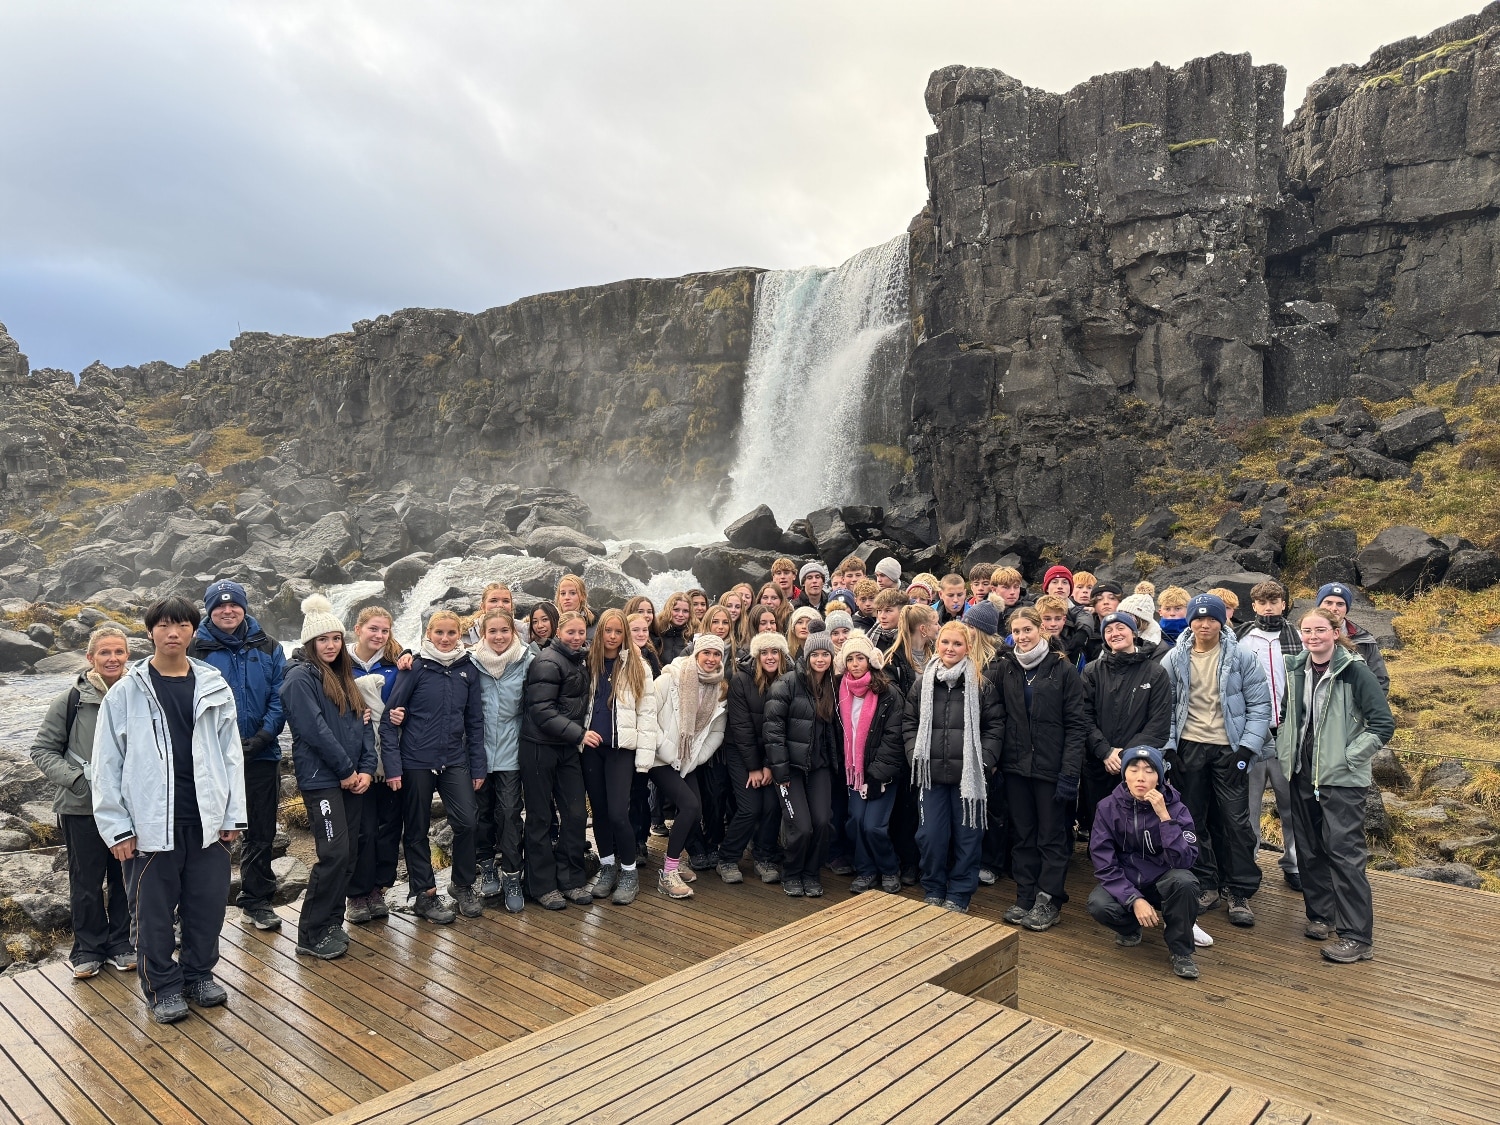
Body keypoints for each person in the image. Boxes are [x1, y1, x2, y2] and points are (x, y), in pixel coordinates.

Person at [93, 596, 246, 1025]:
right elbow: (107, 762)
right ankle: (163, 988)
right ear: (150, 632)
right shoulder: (127, 690)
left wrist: (232, 815)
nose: (173, 633)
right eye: (163, 625)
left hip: (206, 821)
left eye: (181, 625)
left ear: (194, 631)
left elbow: (230, 754)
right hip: (149, 822)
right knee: (153, 916)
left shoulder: (213, 684)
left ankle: (198, 975)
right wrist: (117, 828)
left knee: (207, 906)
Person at [1277, 608, 1395, 963]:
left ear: (1335, 631)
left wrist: (1347, 758)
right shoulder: (1296, 669)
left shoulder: (1354, 670)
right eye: (1306, 631)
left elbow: (1382, 724)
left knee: (1345, 856)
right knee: (1310, 850)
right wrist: (1287, 751)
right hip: (1301, 773)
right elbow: (1288, 716)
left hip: (1341, 779)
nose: (1312, 637)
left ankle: (1357, 936)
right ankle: (1321, 915)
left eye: (1319, 630)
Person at [28, 626, 136, 978]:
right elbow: (42, 750)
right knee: (86, 881)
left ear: (127, 656)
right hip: (80, 808)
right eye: (104, 652)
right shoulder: (70, 700)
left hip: (129, 807)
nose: (112, 658)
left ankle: (122, 944)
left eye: (118, 652)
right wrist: (76, 780)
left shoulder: (139, 695)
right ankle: (88, 949)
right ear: (90, 658)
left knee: (125, 878)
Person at [1163, 594, 1272, 927]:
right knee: (1193, 821)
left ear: (1222, 621)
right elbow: (1164, 706)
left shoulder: (1241, 656)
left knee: (1236, 823)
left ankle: (1238, 889)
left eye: (1212, 618)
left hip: (1229, 749)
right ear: (1190, 621)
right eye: (1199, 618)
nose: (1205, 624)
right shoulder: (1174, 658)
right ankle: (1205, 883)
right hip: (1190, 748)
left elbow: (1260, 706)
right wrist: (1169, 747)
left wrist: (1246, 749)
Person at [188, 579, 286, 933]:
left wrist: (262, 737)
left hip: (261, 755)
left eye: (233, 605)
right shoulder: (194, 649)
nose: (227, 610)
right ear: (209, 610)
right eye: (219, 606)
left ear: (244, 607)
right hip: (210, 759)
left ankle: (256, 900)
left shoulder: (270, 646)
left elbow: (280, 696)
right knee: (206, 832)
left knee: (261, 831)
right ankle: (196, 911)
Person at [283, 596, 377, 960]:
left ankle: (331, 922)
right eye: (323, 640)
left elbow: (363, 724)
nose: (331, 645)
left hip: (352, 777)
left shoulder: (345, 676)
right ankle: (310, 932)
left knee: (349, 852)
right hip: (324, 780)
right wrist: (346, 771)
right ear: (311, 643)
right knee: (334, 853)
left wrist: (366, 769)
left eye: (336, 639)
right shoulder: (299, 678)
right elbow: (315, 731)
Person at [380, 609, 486, 923]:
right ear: (428, 634)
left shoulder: (469, 670)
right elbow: (389, 720)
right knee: (415, 828)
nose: (444, 638)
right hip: (416, 760)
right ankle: (425, 894)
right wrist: (394, 766)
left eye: (451, 633)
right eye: (438, 633)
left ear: (460, 635)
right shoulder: (413, 668)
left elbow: (475, 722)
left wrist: (478, 766)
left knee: (467, 821)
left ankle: (462, 885)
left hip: (454, 759)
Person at [994, 607, 1087, 931]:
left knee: (1052, 837)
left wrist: (1069, 773)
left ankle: (1049, 899)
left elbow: (1077, 726)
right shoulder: (1006, 668)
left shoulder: (1062, 670)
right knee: (1023, 835)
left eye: (1027, 630)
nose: (1022, 636)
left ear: (1040, 630)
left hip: (1052, 768)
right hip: (1017, 767)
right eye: (1016, 631)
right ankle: (1026, 895)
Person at [902, 620, 1003, 913]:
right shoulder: (923, 682)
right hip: (931, 775)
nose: (950, 648)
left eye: (957, 644)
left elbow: (995, 727)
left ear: (967, 648)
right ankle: (933, 886)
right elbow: (909, 722)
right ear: (937, 644)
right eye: (946, 642)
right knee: (930, 835)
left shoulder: (981, 684)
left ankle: (960, 892)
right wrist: (915, 755)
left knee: (968, 837)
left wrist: (983, 761)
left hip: (968, 778)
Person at [1087, 746, 1204, 980]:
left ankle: (1181, 951)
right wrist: (1134, 899)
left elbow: (1185, 860)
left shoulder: (1175, 807)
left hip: (1162, 880)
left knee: (1185, 882)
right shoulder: (1107, 807)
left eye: (1149, 771)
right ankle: (1131, 929)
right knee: (1099, 904)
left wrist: (1164, 818)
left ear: (1159, 777)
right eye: (1134, 769)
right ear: (1125, 774)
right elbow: (1104, 864)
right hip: (1128, 880)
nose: (1141, 777)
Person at [581, 608, 658, 905]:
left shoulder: (638, 665)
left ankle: (628, 872)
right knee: (598, 813)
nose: (612, 637)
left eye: (618, 631)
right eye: (607, 631)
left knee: (617, 813)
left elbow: (647, 714)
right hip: (591, 750)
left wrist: (644, 760)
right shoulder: (590, 662)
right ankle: (607, 866)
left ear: (625, 634)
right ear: (600, 633)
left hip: (620, 750)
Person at [645, 634, 730, 899]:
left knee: (695, 810)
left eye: (717, 655)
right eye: (707, 653)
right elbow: (648, 713)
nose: (711, 659)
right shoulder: (670, 678)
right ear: (696, 654)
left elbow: (717, 731)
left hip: (687, 761)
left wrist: (697, 757)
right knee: (691, 806)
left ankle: (675, 857)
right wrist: (666, 748)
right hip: (661, 758)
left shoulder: (719, 688)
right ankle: (668, 872)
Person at [520, 610, 593, 910]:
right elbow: (541, 710)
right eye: (571, 633)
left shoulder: (581, 659)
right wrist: (579, 734)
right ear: (559, 632)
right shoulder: (548, 661)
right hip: (539, 747)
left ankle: (571, 879)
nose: (576, 638)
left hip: (566, 748)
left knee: (576, 815)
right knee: (540, 817)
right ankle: (541, 885)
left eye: (581, 633)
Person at [1079, 610, 1173, 842]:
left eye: (1120, 628)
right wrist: (1105, 751)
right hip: (1099, 763)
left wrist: (1127, 757)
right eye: (1108, 630)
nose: (1115, 633)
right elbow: (1082, 716)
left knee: (1136, 829)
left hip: (1139, 765)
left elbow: (1159, 723)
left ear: (1133, 632)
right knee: (1099, 826)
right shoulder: (1091, 671)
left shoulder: (1155, 672)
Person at [1236, 580, 1304, 891]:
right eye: (1262, 601)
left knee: (1290, 805)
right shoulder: (1242, 638)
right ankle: (1247, 865)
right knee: (1248, 807)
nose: (1268, 606)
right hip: (1251, 734)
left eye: (1274, 600)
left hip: (1287, 732)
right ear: (1253, 605)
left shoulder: (1299, 638)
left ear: (1284, 603)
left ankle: (1294, 863)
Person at [764, 628, 839, 898]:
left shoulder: (833, 685)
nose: (820, 659)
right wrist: (780, 771)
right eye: (815, 654)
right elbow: (773, 732)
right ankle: (793, 872)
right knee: (801, 826)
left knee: (822, 822)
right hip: (790, 769)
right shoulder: (786, 684)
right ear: (806, 656)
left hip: (818, 766)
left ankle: (811, 872)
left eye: (825, 654)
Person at [470, 609, 536, 913]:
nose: (498, 637)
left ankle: (512, 874)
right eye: (492, 631)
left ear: (514, 632)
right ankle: (486, 867)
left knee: (509, 813)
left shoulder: (527, 660)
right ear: (483, 633)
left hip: (511, 751)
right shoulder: (470, 662)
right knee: (480, 814)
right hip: (478, 752)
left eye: (504, 631)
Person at [345, 606, 404, 923]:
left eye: (385, 631)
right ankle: (356, 894)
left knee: (388, 829)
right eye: (374, 629)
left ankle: (378, 889)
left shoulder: (396, 664)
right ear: (358, 628)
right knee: (362, 830)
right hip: (359, 762)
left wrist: (401, 713)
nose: (379, 636)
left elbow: (409, 699)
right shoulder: (340, 664)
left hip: (392, 760)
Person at [836, 633, 906, 895]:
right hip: (854, 771)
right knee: (855, 822)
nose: (855, 664)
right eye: (850, 659)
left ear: (871, 660)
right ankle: (866, 870)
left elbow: (893, 737)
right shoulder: (841, 691)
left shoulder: (888, 693)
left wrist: (877, 775)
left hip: (880, 772)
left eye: (860, 658)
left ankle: (889, 868)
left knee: (873, 826)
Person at [719, 632, 789, 885]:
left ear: (782, 655)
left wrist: (770, 766)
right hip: (742, 752)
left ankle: (764, 855)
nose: (770, 657)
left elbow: (786, 727)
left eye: (775, 652)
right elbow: (741, 727)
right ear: (757, 656)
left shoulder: (790, 680)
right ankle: (727, 857)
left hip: (775, 754)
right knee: (750, 808)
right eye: (765, 653)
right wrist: (754, 768)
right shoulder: (741, 680)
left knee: (772, 805)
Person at [1316, 583, 1390, 693]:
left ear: (1347, 608)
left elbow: (1380, 681)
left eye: (1340, 604)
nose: (1334, 608)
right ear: (1319, 605)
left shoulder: (1364, 640)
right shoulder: (1303, 637)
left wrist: (1365, 708)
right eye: (1328, 603)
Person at [656, 592, 694, 665]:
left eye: (685, 611)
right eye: (676, 610)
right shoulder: (657, 631)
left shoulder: (695, 634)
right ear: (668, 610)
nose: (680, 615)